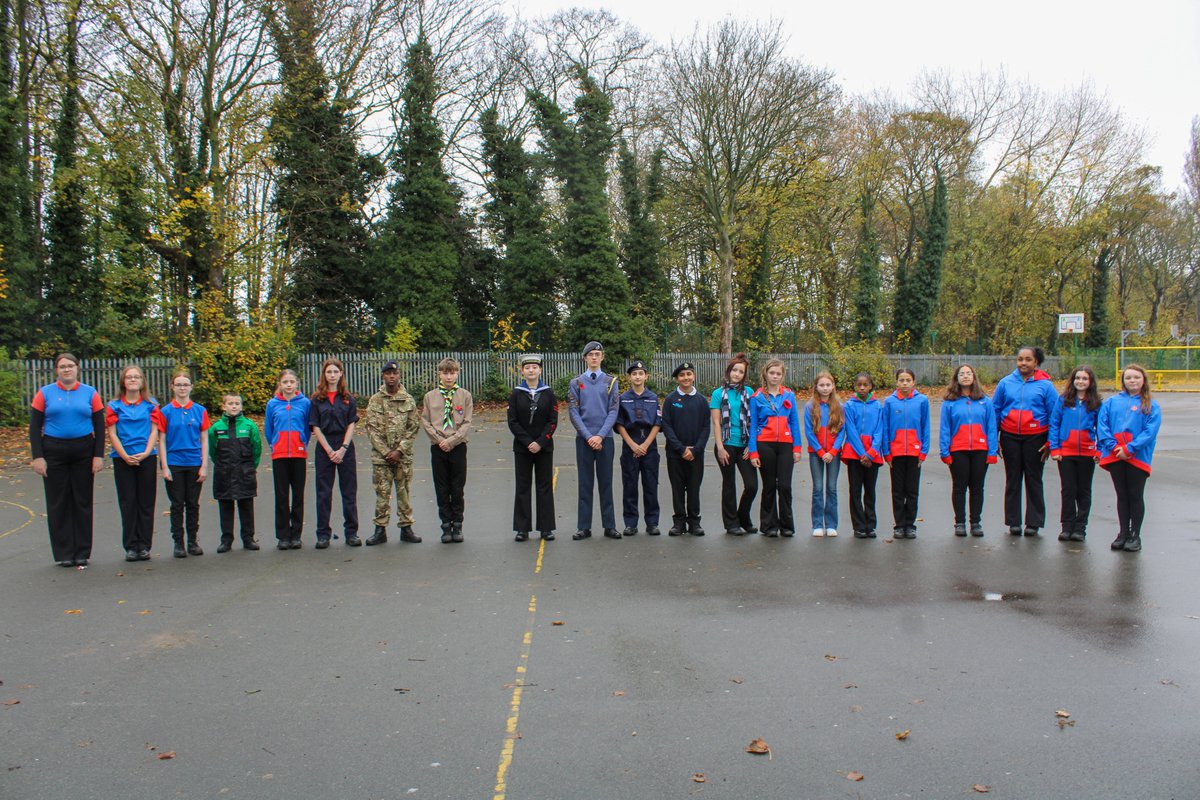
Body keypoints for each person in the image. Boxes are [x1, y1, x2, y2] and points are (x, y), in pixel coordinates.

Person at [30, 353, 105, 567]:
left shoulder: (90, 393)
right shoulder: (45, 393)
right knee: (58, 502)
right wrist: (38, 457)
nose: (66, 370)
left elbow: (99, 426)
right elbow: (34, 427)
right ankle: (64, 552)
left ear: (77, 369)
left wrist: (98, 455)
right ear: (57, 370)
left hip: (83, 450)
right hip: (54, 450)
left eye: (70, 366)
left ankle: (82, 551)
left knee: (82, 501)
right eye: (62, 366)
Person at [992, 346, 1057, 537]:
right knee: (1013, 479)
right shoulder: (1005, 383)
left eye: (1028, 359)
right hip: (1010, 436)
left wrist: (1051, 442)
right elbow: (995, 410)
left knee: (1034, 479)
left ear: (1035, 362)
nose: (1023, 363)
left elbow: (1054, 415)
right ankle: (1013, 521)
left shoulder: (1046, 386)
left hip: (1036, 437)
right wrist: (993, 439)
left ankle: (1033, 522)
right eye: (1020, 359)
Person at [1098, 364, 1162, 553]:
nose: (1132, 381)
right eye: (1128, 378)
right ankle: (1123, 532)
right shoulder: (1111, 402)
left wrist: (1130, 448)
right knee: (1122, 495)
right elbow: (1102, 425)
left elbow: (1150, 432)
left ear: (1143, 380)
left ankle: (1135, 534)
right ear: (1123, 381)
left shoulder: (1150, 405)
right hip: (1116, 455)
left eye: (1136, 377)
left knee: (1135, 495)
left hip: (1137, 457)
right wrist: (1113, 446)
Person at [106, 364, 162, 562]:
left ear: (142, 381)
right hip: (123, 459)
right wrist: (124, 455)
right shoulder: (114, 406)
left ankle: (144, 546)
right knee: (128, 503)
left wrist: (147, 452)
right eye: (129, 377)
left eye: (136, 377)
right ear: (123, 381)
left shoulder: (151, 404)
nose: (132, 380)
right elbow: (112, 433)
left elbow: (154, 430)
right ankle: (131, 546)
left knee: (146, 502)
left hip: (146, 457)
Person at [365, 360, 422, 545]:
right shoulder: (375, 400)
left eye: (394, 373)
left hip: (403, 457)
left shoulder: (408, 400)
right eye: (388, 373)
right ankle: (380, 530)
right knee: (382, 494)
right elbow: (371, 429)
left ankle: (406, 528)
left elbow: (413, 427)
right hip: (382, 459)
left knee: (404, 493)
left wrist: (399, 451)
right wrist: (387, 452)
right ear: (383, 376)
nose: (391, 376)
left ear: (399, 376)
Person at [568, 341, 620, 540]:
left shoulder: (611, 382)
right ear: (585, 358)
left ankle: (610, 525)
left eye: (598, 354)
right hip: (584, 440)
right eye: (591, 354)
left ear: (602, 357)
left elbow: (613, 410)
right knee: (585, 484)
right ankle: (584, 526)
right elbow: (573, 411)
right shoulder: (576, 383)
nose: (594, 357)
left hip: (605, 439)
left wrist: (600, 435)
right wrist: (589, 436)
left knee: (606, 483)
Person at [938, 364, 997, 538]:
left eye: (968, 373)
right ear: (956, 378)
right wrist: (945, 452)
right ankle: (960, 523)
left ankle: (976, 522)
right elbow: (945, 428)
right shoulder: (950, 402)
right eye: (961, 374)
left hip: (980, 450)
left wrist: (992, 451)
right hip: (958, 450)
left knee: (977, 488)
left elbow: (991, 427)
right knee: (959, 487)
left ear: (974, 377)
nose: (965, 376)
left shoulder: (985, 401)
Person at [157, 371, 210, 558]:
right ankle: (178, 543)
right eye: (178, 384)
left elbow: (204, 439)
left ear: (191, 387)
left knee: (193, 504)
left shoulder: (200, 410)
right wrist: (164, 466)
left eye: (185, 384)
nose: (182, 388)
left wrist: (204, 465)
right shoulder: (165, 412)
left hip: (194, 462)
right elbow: (161, 440)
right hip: (174, 463)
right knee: (177, 504)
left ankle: (193, 541)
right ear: (172, 387)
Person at [420, 357, 473, 543]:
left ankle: (457, 525)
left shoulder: (465, 396)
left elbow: (467, 422)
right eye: (445, 373)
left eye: (452, 373)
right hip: (438, 447)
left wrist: (452, 440)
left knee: (457, 488)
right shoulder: (430, 396)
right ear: (440, 374)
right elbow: (425, 421)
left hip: (457, 446)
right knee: (442, 488)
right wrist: (439, 440)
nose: (449, 376)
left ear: (457, 373)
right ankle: (445, 527)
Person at [748, 359, 802, 537]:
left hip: (786, 445)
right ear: (765, 374)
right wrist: (753, 451)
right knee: (769, 485)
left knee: (785, 486)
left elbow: (794, 421)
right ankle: (769, 525)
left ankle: (787, 525)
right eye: (772, 373)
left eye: (778, 374)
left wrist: (797, 447)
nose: (775, 376)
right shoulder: (756, 397)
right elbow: (753, 424)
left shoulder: (789, 395)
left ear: (782, 375)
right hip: (765, 444)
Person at [310, 358, 360, 548]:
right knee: (323, 493)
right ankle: (323, 534)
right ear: (324, 374)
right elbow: (314, 425)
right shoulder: (316, 399)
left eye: (335, 372)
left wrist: (343, 449)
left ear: (341, 374)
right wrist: (330, 450)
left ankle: (352, 533)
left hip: (345, 446)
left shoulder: (348, 398)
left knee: (349, 492)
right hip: (325, 448)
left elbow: (351, 424)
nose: (332, 375)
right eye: (328, 372)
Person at [507, 354, 558, 542]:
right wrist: (528, 442)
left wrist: (540, 442)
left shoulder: (549, 393)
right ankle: (522, 528)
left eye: (534, 367)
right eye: (527, 367)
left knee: (544, 486)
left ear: (540, 370)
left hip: (544, 447)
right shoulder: (516, 394)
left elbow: (553, 421)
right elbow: (512, 421)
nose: (531, 370)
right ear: (522, 371)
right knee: (523, 486)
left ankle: (546, 528)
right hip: (522, 448)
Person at [1048, 365, 1101, 543]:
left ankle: (1080, 527)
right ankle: (1067, 526)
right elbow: (1054, 424)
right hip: (1066, 453)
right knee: (1068, 490)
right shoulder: (1063, 400)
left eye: (1085, 378)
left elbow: (1102, 428)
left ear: (1090, 382)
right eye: (1078, 378)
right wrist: (1055, 448)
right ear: (1073, 380)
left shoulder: (1096, 402)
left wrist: (1099, 450)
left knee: (1084, 491)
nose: (1081, 381)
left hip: (1087, 454)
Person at [208, 392, 262, 552]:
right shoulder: (216, 428)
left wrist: (251, 468)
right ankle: (226, 540)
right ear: (223, 406)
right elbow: (213, 451)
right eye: (230, 404)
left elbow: (257, 449)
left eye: (237, 404)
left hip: (245, 473)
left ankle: (248, 538)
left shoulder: (249, 426)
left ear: (241, 406)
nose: (234, 406)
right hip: (224, 473)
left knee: (246, 506)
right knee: (225, 506)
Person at [710, 353, 757, 536]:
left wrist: (750, 446)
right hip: (726, 444)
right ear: (728, 371)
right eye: (734, 370)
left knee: (752, 485)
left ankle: (743, 518)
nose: (737, 374)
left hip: (744, 444)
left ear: (744, 375)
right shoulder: (718, 394)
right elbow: (716, 422)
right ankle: (731, 524)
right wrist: (720, 447)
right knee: (729, 484)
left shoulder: (750, 393)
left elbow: (753, 421)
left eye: (740, 372)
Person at [614, 358, 662, 536]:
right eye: (634, 374)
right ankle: (630, 523)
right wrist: (633, 445)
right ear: (629, 377)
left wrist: (646, 445)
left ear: (646, 376)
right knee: (630, 486)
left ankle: (652, 522)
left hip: (649, 448)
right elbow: (619, 424)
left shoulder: (653, 398)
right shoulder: (623, 398)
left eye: (641, 373)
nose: (637, 376)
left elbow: (657, 423)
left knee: (650, 486)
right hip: (630, 447)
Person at [661, 361, 709, 536]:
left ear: (693, 376)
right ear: (677, 379)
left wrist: (695, 450)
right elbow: (667, 426)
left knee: (694, 488)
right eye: (682, 375)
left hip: (696, 454)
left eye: (689, 374)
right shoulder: (670, 400)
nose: (686, 378)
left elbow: (706, 427)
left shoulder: (702, 401)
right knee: (678, 488)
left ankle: (694, 522)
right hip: (675, 454)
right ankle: (679, 523)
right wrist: (681, 449)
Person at [265, 369, 311, 550]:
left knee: (298, 496)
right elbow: (269, 429)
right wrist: (275, 443)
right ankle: (283, 536)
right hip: (280, 455)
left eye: (292, 381)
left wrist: (301, 442)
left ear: (297, 383)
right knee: (282, 496)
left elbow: (308, 428)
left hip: (298, 455)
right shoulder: (272, 404)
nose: (289, 385)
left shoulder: (305, 403)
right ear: (280, 384)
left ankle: (296, 535)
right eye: (285, 382)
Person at [882, 368, 929, 539]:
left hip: (914, 454)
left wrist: (923, 452)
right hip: (896, 453)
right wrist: (886, 453)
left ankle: (910, 525)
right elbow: (885, 428)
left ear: (913, 382)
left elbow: (925, 427)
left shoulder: (922, 401)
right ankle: (899, 525)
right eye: (901, 380)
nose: (904, 383)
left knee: (912, 490)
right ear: (896, 382)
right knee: (897, 491)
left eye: (908, 380)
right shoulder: (889, 402)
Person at [842, 373, 884, 539]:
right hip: (854, 454)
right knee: (855, 490)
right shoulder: (849, 406)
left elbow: (880, 430)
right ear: (855, 386)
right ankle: (858, 526)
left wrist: (872, 452)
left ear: (870, 386)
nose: (862, 388)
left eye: (865, 385)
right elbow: (850, 430)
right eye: (859, 384)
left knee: (870, 491)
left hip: (872, 455)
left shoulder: (877, 406)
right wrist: (862, 453)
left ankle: (870, 525)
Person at [804, 371, 845, 537]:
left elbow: (842, 431)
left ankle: (831, 524)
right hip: (816, 453)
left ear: (833, 386)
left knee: (832, 488)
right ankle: (817, 524)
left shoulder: (839, 406)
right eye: (822, 385)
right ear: (816, 387)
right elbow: (809, 432)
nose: (825, 388)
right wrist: (821, 452)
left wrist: (833, 451)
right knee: (818, 488)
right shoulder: (810, 406)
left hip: (834, 453)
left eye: (828, 385)